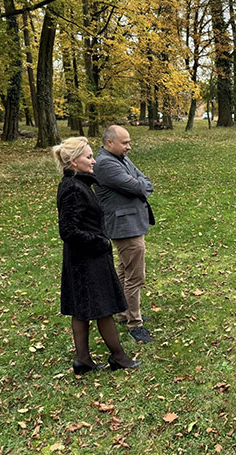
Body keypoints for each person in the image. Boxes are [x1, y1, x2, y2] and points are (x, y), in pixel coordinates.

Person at [52, 137, 141, 374]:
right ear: (74, 162)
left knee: (82, 309)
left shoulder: (77, 184)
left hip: (83, 259)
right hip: (88, 260)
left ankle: (83, 359)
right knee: (103, 309)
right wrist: (100, 243)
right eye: (89, 157)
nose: (94, 161)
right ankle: (119, 357)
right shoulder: (73, 188)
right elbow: (68, 230)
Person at [93, 125, 155, 344]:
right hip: (124, 226)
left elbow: (144, 180)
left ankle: (124, 313)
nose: (129, 146)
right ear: (109, 142)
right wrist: (140, 184)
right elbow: (138, 187)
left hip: (131, 223)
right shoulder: (106, 164)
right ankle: (134, 324)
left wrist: (140, 183)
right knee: (135, 276)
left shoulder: (120, 158)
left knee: (124, 270)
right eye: (125, 142)